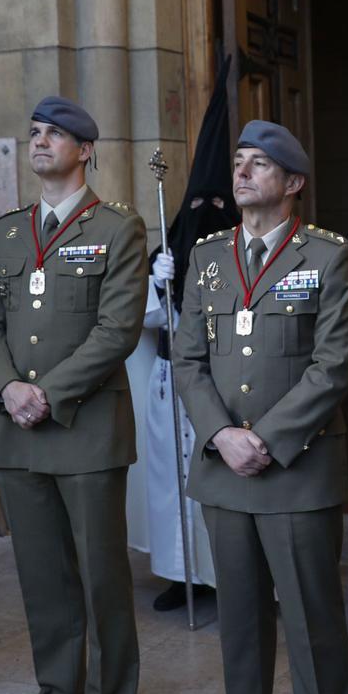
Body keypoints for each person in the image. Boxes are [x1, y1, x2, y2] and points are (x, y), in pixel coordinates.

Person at [172, 120, 348, 694]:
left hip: (296, 467)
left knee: (313, 619)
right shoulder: (209, 255)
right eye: (241, 162)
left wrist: (267, 439)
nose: (244, 172)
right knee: (240, 617)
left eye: (261, 164)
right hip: (226, 468)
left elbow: (334, 363)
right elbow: (188, 358)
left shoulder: (328, 255)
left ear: (294, 182)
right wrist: (223, 434)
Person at [0, 97, 147, 694]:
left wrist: (48, 391)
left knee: (101, 581)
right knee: (43, 578)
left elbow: (117, 329)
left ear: (86, 150)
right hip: (18, 430)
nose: (40, 141)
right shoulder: (10, 230)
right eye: (35, 132)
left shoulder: (117, 228)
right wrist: (8, 387)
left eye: (55, 134)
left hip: (84, 427)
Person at [127, 248, 216, 608]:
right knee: (172, 485)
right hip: (169, 382)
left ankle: (227, 577)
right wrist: (159, 285)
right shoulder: (164, 250)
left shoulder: (230, 251)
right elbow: (147, 318)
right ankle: (182, 576)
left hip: (217, 383)